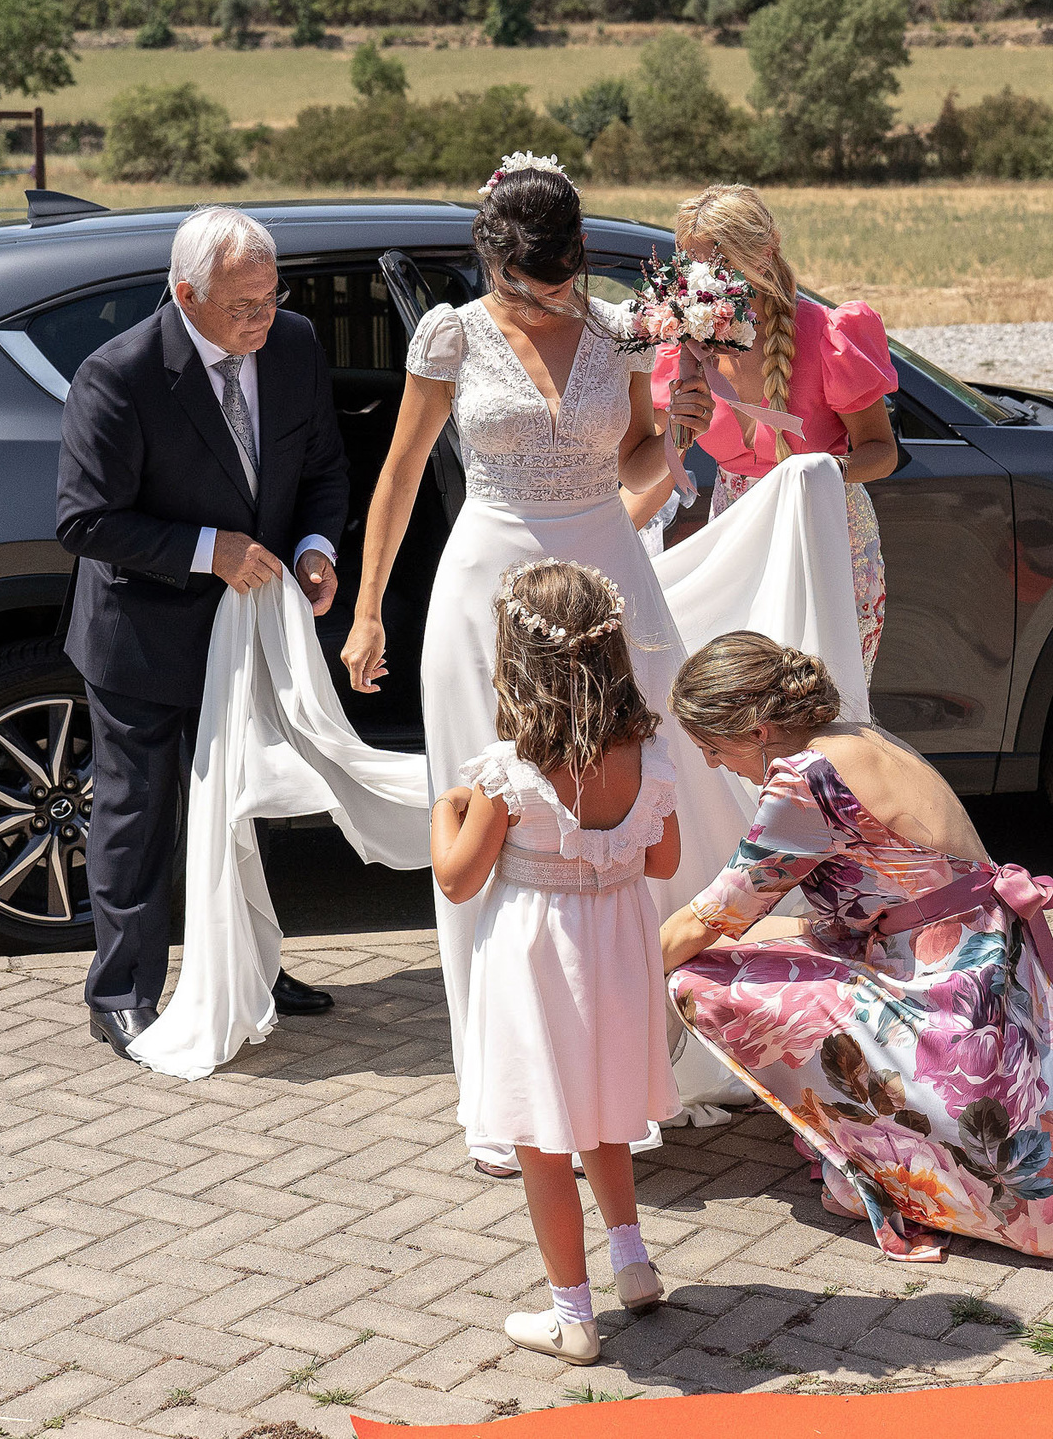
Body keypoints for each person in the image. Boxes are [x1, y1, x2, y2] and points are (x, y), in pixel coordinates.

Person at [341, 155, 873, 1179]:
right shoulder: (448, 333)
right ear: (491, 260)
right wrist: (367, 612)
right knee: (492, 826)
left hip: (606, 571)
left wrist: (671, 442)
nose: (544, 293)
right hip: (486, 587)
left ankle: (629, 1071)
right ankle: (504, 1090)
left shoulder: (623, 329)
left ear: (577, 254)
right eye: (523, 277)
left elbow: (635, 457)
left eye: (557, 272)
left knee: (633, 803)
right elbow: (402, 473)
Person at [659, 632, 1053, 1270]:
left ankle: (883, 1156)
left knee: (696, 979)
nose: (711, 763)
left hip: (946, 987)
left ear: (759, 729)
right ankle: (861, 1142)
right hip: (988, 956)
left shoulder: (804, 781)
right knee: (754, 946)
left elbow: (718, 908)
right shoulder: (856, 737)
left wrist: (626, 972)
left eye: (713, 747)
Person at [56, 205, 348, 1059]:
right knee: (137, 816)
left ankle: (248, 968)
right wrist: (204, 550)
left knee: (247, 804)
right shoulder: (118, 375)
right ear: (186, 294)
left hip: (253, 631)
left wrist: (316, 547)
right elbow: (83, 522)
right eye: (243, 306)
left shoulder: (292, 344)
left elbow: (323, 465)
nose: (265, 319)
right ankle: (122, 991)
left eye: (272, 297)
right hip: (143, 637)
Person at [432, 560, 680, 1364]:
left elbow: (458, 878)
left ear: (516, 661)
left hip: (537, 959)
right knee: (601, 1107)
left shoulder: (508, 774)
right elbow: (663, 859)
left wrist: (446, 809)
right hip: (616, 948)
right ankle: (632, 1261)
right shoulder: (643, 754)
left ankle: (572, 1314)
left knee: (544, 1135)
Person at [650, 185, 899, 673]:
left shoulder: (828, 334)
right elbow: (655, 470)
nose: (703, 282)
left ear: (763, 253)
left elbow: (882, 453)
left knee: (825, 699)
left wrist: (817, 470)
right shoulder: (689, 342)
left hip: (826, 527)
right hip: (736, 534)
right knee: (741, 707)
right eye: (692, 266)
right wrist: (679, 424)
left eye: (717, 265)